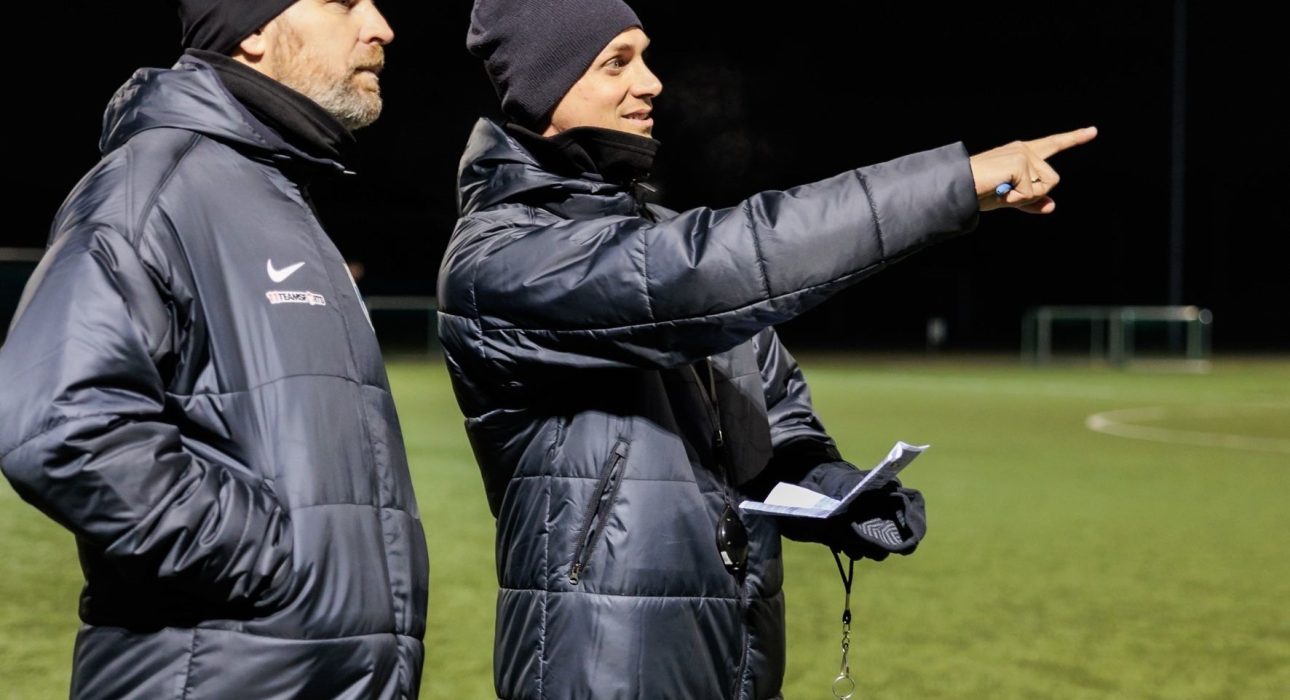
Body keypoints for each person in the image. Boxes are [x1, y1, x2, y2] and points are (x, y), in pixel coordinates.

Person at [441, 1, 1095, 697]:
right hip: (597, 670)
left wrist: (835, 491)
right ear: (545, 87)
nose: (652, 82)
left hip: (734, 657)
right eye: (617, 62)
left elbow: (773, 413)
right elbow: (720, 267)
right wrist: (952, 185)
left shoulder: (662, 238)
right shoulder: (506, 257)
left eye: (645, 55)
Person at [0, 1, 428, 697]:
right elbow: (61, 422)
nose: (381, 26)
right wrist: (274, 558)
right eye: (345, 3)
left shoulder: (278, 194)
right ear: (252, 32)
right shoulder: (154, 184)